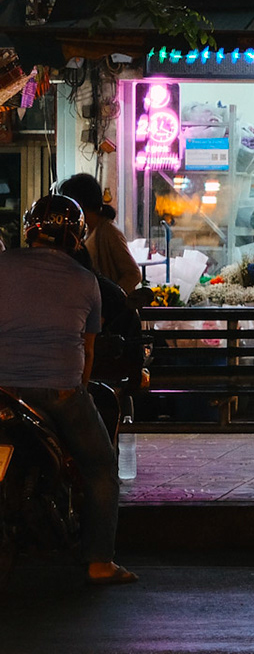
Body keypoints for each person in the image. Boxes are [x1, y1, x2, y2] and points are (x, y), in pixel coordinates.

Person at [0, 195, 135, 584]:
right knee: (100, 469)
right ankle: (99, 562)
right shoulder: (86, 281)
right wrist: (76, 389)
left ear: (30, 230)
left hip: (4, 391)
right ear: (75, 236)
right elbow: (88, 354)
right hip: (59, 393)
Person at [57, 173, 142, 293]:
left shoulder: (108, 232)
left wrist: (110, 298)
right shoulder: (85, 232)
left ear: (79, 203)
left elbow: (133, 274)